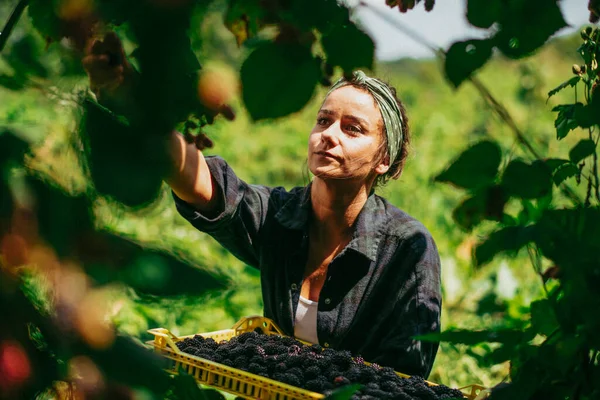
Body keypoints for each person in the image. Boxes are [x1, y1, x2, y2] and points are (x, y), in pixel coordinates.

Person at [83, 33, 442, 379]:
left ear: (384, 159)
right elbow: (201, 183)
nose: (328, 135)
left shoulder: (407, 249)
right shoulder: (278, 217)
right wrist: (130, 96)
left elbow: (404, 379)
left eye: (353, 128)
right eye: (323, 120)